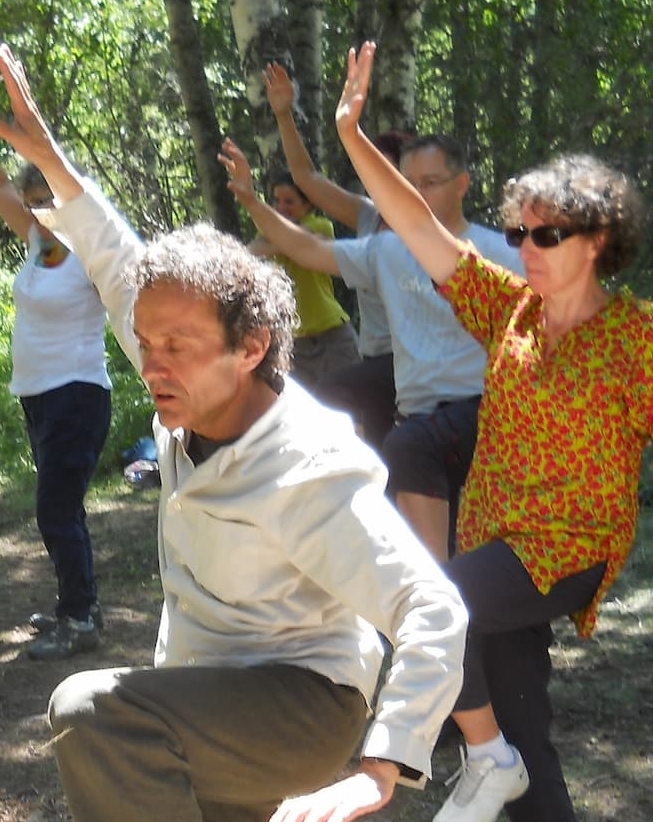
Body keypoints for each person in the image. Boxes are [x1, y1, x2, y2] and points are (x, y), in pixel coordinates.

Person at [0, 39, 468, 822]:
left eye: (179, 347)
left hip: (302, 709)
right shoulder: (189, 363)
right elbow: (113, 256)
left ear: (255, 347)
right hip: (199, 716)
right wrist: (45, 153)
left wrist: (380, 768)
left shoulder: (312, 469)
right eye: (145, 343)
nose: (153, 362)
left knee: (86, 708)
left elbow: (434, 610)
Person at [333, 41, 653, 822]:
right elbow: (418, 228)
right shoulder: (509, 311)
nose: (524, 248)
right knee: (521, 706)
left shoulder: (642, 339)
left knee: (433, 608)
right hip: (498, 538)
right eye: (520, 233)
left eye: (546, 235)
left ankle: (483, 757)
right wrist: (352, 138)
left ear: (597, 240)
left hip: (567, 547)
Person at [220, 128, 520, 562]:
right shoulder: (386, 250)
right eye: (406, 184)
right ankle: (430, 607)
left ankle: (440, 607)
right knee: (430, 535)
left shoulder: (501, 253)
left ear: (462, 185)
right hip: (417, 419)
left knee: (427, 480)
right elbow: (306, 249)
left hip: (487, 417)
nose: (416, 194)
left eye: (430, 183)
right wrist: (251, 200)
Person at [0, 74, 112, 661]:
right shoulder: (36, 244)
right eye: (32, 203)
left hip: (78, 393)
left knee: (53, 509)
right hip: (39, 395)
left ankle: (79, 617)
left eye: (47, 201)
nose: (37, 211)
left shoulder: (93, 254)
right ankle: (79, 606)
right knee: (62, 508)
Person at [262, 61, 404, 447]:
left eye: (390, 171)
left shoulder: (431, 231)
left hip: (419, 369)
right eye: (374, 171)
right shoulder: (367, 216)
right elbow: (307, 179)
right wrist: (283, 114)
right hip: (377, 364)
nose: (381, 181)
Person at [249, 168, 360, 387]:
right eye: (277, 201)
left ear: (308, 204)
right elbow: (252, 250)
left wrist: (273, 243)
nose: (281, 208)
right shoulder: (270, 232)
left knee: (355, 397)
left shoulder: (320, 225)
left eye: (289, 201)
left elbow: (305, 241)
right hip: (294, 341)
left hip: (332, 334)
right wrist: (278, 243)